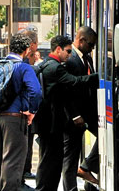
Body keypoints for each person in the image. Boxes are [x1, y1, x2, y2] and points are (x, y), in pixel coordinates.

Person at [34, 35, 98, 191]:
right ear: (58, 49)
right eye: (68, 51)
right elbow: (74, 82)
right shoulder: (55, 67)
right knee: (51, 159)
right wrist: (97, 77)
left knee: (51, 159)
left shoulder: (45, 65)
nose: (69, 55)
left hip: (49, 122)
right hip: (52, 122)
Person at [0, 33, 42, 191]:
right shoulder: (24, 67)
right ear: (27, 50)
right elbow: (36, 91)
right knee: (13, 159)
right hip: (15, 118)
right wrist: (32, 110)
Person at [62, 27, 99, 190]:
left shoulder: (87, 58)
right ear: (81, 40)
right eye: (91, 44)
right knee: (70, 156)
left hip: (89, 111)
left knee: (106, 135)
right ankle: (71, 188)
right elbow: (66, 91)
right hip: (75, 116)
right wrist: (74, 115)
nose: (92, 48)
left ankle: (86, 167)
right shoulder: (70, 59)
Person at [21, 29, 39, 182]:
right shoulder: (27, 63)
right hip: (26, 110)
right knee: (26, 143)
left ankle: (25, 170)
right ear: (32, 44)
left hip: (15, 110)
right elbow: (34, 90)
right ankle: (24, 171)